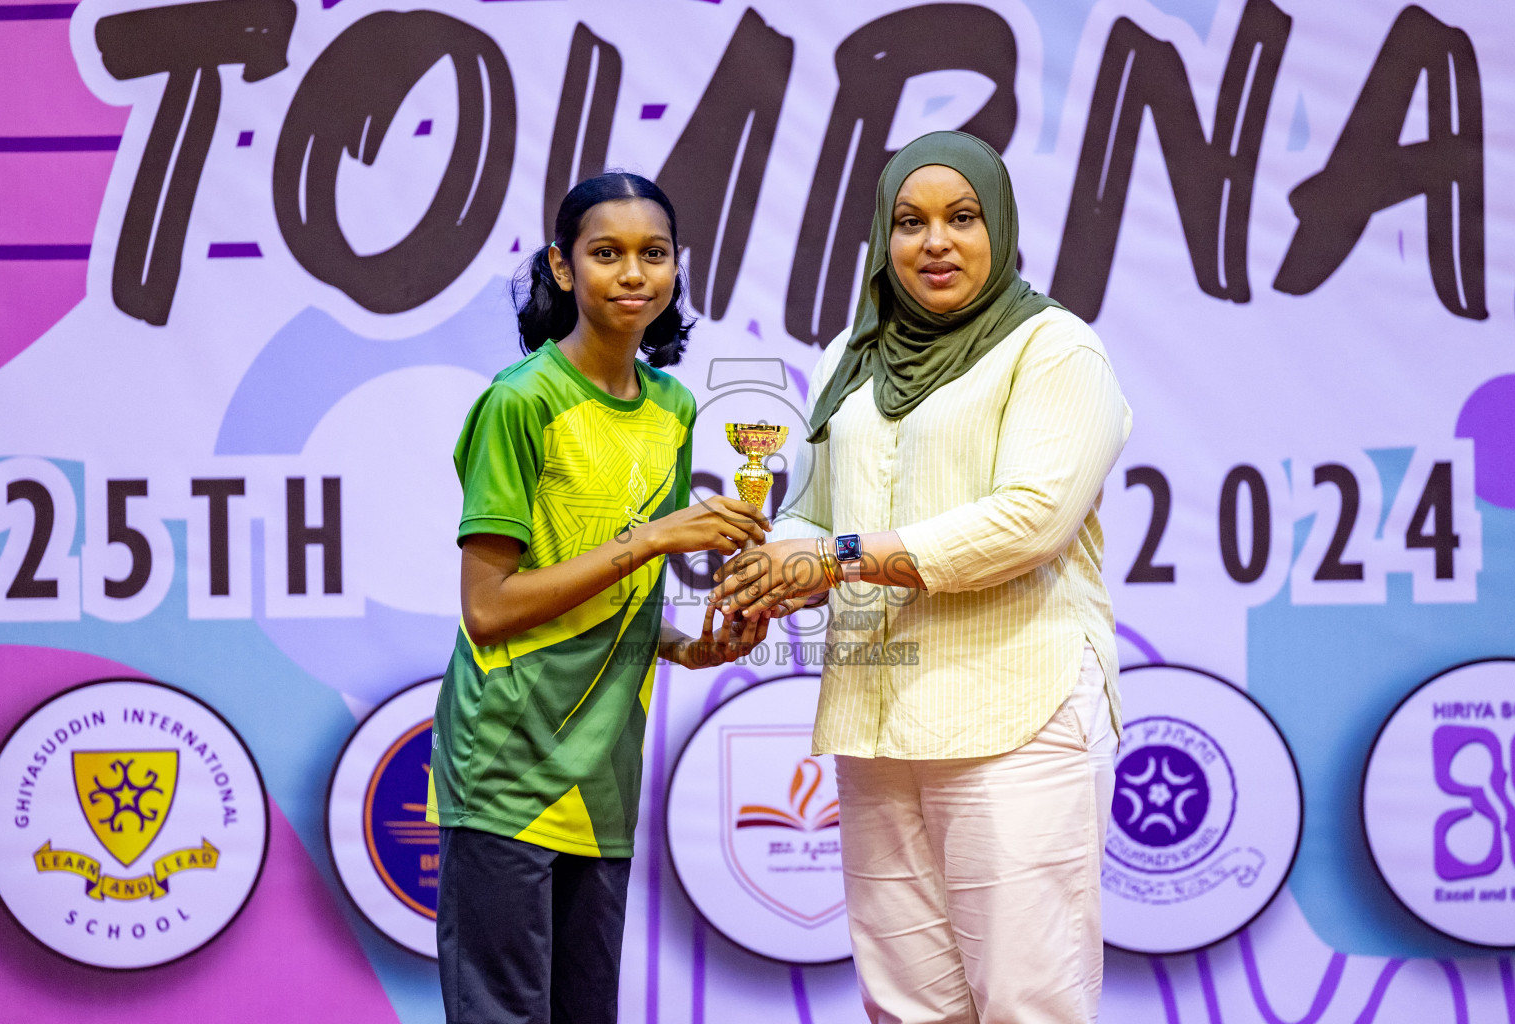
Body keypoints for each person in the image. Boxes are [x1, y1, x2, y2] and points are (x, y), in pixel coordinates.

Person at [711, 131, 1132, 1024]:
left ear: (999, 227)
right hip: (878, 716)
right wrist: (769, 571)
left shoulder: (1054, 350)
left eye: (962, 218)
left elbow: (1030, 522)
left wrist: (835, 557)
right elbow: (817, 511)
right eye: (910, 222)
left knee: (1029, 1001)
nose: (935, 242)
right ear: (882, 237)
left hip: (1015, 710)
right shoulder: (849, 360)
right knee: (904, 1006)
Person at [427, 172, 772, 1024]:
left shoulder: (673, 408)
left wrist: (691, 647)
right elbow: (491, 607)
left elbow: (619, 591)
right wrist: (653, 537)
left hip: (604, 774)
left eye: (653, 254)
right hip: (507, 764)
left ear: (676, 268)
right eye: (605, 253)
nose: (632, 273)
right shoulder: (522, 401)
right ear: (563, 266)